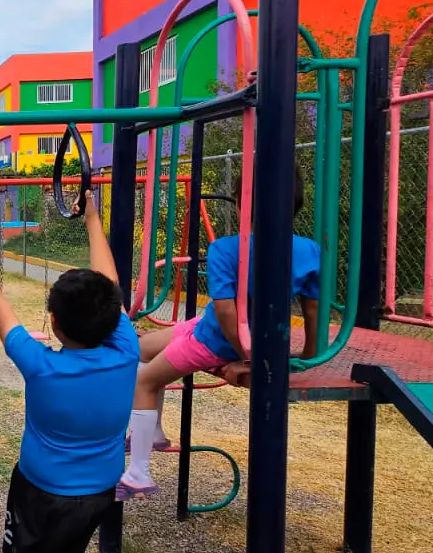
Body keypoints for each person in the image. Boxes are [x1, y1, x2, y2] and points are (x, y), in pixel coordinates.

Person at [0, 161, 138, 553]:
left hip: (41, 485)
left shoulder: (42, 366)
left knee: (25, 542)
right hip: (101, 487)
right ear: (114, 316)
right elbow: (112, 283)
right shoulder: (125, 348)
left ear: (54, 324)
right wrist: (94, 221)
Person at [123, 187, 322, 498]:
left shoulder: (227, 249)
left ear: (242, 206)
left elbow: (227, 311)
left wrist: (247, 355)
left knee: (144, 381)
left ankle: (138, 474)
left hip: (216, 341)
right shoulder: (308, 250)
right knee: (139, 348)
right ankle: (155, 431)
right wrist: (309, 353)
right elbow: (313, 307)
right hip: (219, 331)